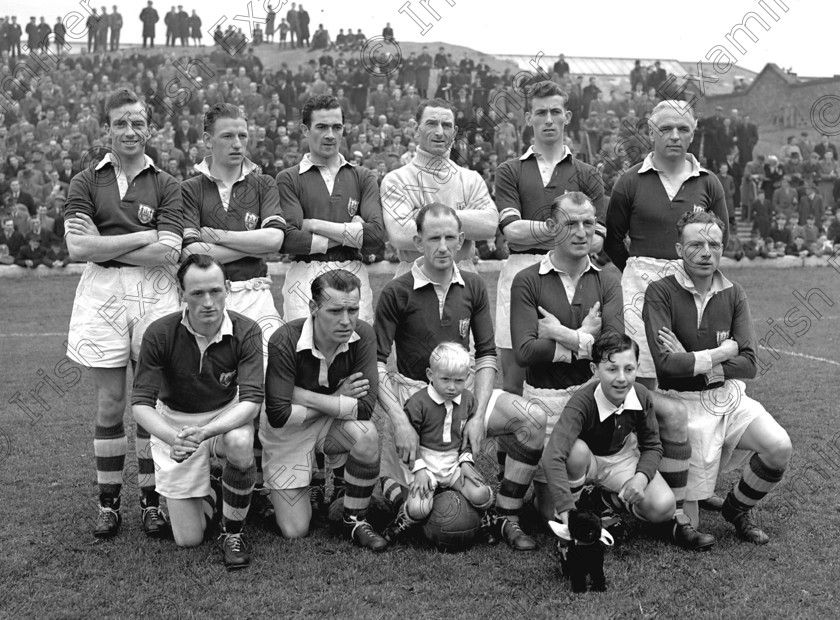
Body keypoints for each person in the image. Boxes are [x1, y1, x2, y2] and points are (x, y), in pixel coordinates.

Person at [374, 204, 547, 551]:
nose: (442, 246)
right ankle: (392, 484)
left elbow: (486, 355)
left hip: (464, 393)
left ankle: (506, 515)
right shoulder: (397, 290)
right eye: (433, 238)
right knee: (426, 514)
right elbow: (376, 363)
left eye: (449, 237)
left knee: (533, 418)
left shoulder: (473, 284)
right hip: (417, 402)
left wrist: (478, 414)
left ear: (461, 240)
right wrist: (400, 422)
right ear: (416, 240)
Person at [604, 99, 729, 550]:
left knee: (687, 379)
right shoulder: (629, 181)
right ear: (650, 132)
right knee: (644, 381)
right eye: (665, 128)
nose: (674, 136)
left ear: (693, 132)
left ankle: (693, 483)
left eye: (682, 128)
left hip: (689, 283)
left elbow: (720, 237)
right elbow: (613, 236)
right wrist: (642, 271)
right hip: (641, 284)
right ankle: (642, 476)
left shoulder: (708, 182)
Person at [64, 88, 184, 539]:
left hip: (155, 294)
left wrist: (107, 244)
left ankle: (152, 502)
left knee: (151, 401)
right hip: (101, 296)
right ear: (107, 129)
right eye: (120, 123)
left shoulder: (167, 183)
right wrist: (142, 236)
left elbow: (170, 251)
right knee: (111, 402)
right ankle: (108, 503)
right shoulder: (85, 181)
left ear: (149, 128)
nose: (130, 131)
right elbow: (78, 247)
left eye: (137, 122)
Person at [643, 210, 792, 544]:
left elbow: (750, 363)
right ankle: (681, 502)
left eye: (714, 244)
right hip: (682, 404)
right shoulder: (659, 292)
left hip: (729, 396)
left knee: (779, 446)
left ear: (722, 249)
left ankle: (736, 508)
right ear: (679, 249)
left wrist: (693, 360)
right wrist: (722, 353)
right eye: (696, 244)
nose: (706, 251)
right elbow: (666, 366)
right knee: (686, 523)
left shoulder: (734, 292)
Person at [180, 102, 286, 512]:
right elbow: (192, 250)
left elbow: (273, 242)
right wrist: (246, 238)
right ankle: (206, 474)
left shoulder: (263, 183)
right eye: (228, 135)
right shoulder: (190, 188)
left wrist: (219, 236)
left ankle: (257, 476)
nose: (238, 143)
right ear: (207, 140)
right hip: (209, 295)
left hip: (256, 291)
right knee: (208, 378)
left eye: (243, 135)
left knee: (269, 369)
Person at [131, 254, 262, 569]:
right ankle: (217, 489)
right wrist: (174, 436)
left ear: (227, 288)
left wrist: (205, 433)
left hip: (224, 417)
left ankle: (232, 532)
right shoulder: (159, 333)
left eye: (215, 291)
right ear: (181, 295)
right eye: (197, 293)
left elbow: (252, 401)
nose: (208, 302)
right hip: (175, 423)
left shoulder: (247, 330)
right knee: (188, 539)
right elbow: (141, 405)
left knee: (241, 444)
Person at [508, 191, 623, 521]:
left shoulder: (608, 280)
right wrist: (588, 340)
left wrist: (562, 335)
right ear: (551, 226)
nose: (581, 232)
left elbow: (615, 348)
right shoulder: (527, 280)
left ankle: (594, 488)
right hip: (546, 403)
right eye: (570, 223)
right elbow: (525, 351)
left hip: (592, 399)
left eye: (588, 223)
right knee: (550, 514)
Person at [261, 269, 388, 551]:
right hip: (289, 432)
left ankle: (354, 518)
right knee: (295, 530)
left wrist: (301, 394)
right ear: (313, 308)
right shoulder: (284, 339)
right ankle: (263, 489)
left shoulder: (364, 334)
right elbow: (278, 414)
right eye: (335, 311)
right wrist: (338, 398)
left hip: (326, 425)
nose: (346, 320)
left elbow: (365, 408)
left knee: (366, 434)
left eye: (352, 309)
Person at [494, 81, 605, 395]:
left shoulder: (588, 173)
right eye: (540, 112)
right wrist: (569, 230)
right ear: (528, 118)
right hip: (520, 270)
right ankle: (511, 445)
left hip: (572, 273)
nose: (548, 119)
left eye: (555, 111)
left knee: (577, 365)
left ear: (567, 116)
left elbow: (596, 241)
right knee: (515, 375)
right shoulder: (509, 170)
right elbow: (512, 232)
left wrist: (545, 232)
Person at [542, 332, 675, 532]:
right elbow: (553, 455)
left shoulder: (641, 395)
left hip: (620, 459)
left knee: (664, 506)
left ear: (637, 367)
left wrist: (640, 478)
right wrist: (566, 511)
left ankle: (604, 501)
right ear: (595, 369)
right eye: (612, 369)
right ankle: (575, 509)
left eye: (629, 369)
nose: (621, 378)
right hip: (586, 463)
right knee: (575, 451)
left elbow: (652, 445)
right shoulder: (582, 402)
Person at [276, 94, 384, 323]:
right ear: (305, 130)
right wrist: (353, 233)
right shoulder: (288, 178)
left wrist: (314, 224)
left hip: (353, 273)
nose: (330, 135)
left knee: (354, 351)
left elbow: (375, 236)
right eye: (322, 127)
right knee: (305, 351)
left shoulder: (363, 177)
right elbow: (289, 239)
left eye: (337, 127)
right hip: (303, 277)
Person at [383, 342, 494, 543]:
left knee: (482, 495)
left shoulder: (468, 400)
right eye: (445, 379)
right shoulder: (417, 403)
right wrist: (419, 470)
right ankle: (405, 520)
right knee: (419, 509)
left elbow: (465, 436)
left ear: (468, 377)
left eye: (459, 380)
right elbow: (408, 444)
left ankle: (484, 519)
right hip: (425, 462)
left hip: (453, 463)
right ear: (430, 374)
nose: (452, 387)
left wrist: (466, 461)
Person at [380, 97, 498, 278]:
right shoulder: (396, 180)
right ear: (415, 129)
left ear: (455, 131)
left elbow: (489, 225)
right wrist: (463, 221)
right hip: (412, 282)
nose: (439, 132)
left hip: (465, 283)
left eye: (446, 125)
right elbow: (400, 235)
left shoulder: (470, 179)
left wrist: (421, 216)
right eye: (431, 124)